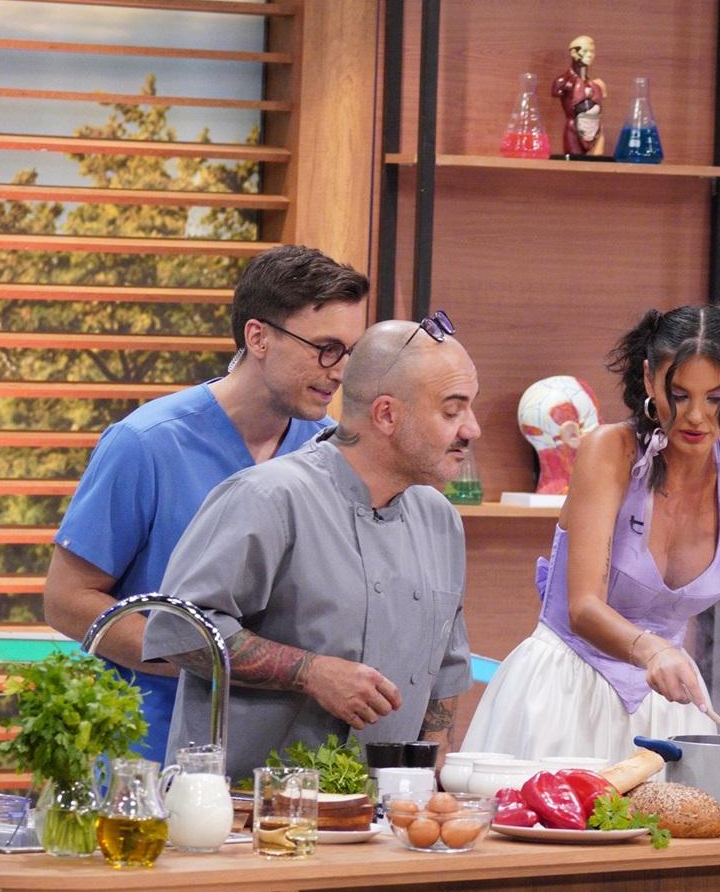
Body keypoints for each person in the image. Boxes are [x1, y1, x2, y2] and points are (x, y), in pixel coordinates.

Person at [43, 245, 370, 761]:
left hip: (285, 759)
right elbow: (67, 600)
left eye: (352, 352)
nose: (340, 371)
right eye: (326, 348)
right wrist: (203, 661)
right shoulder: (145, 444)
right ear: (258, 337)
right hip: (150, 756)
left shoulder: (332, 452)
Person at [141, 314, 480, 780]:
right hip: (248, 808)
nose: (472, 429)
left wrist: (427, 790)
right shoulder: (268, 497)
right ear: (386, 414)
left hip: (382, 810)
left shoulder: (439, 518)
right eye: (452, 411)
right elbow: (181, 630)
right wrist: (311, 672)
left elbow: (445, 672)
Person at [462, 301, 720, 765]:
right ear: (650, 379)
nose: (696, 416)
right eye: (680, 394)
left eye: (715, 397)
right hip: (565, 694)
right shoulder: (610, 449)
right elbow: (583, 607)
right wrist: (652, 650)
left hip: (668, 707)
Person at [552, 34, 607, 156]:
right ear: (574, 53)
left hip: (593, 131)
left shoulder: (596, 84)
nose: (590, 55)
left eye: (592, 51)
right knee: (575, 162)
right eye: (585, 51)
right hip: (573, 130)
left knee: (594, 164)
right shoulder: (563, 81)